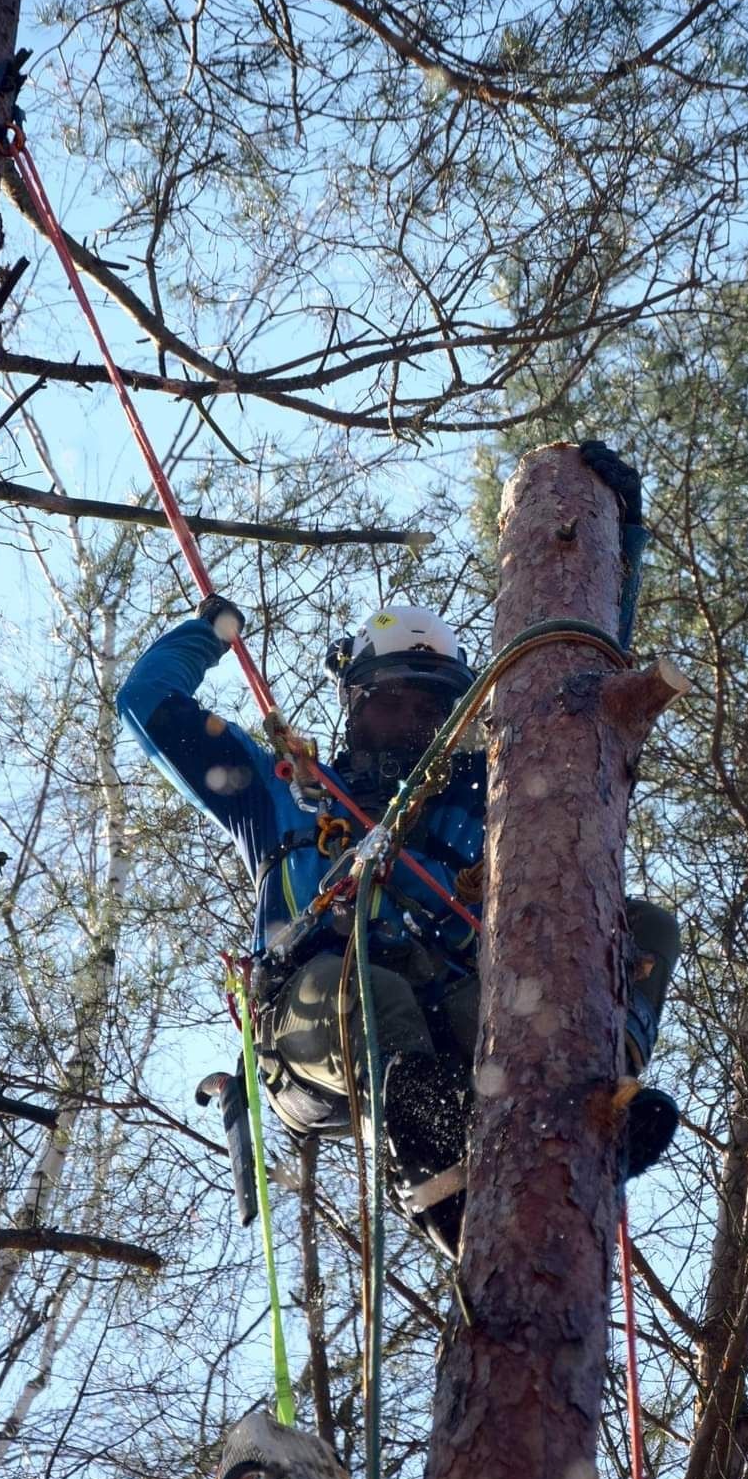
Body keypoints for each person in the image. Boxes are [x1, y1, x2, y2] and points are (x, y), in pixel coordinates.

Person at [118, 469, 679, 1260]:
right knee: (374, 991)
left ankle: (593, 1095)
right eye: (390, 699)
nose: (410, 717)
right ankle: (440, 1192)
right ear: (353, 703)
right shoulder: (289, 797)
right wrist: (208, 635)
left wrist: (618, 539)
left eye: (429, 704)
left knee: (645, 925)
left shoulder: (480, 796)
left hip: (453, 1020)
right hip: (318, 1028)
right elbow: (148, 702)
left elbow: (583, 701)